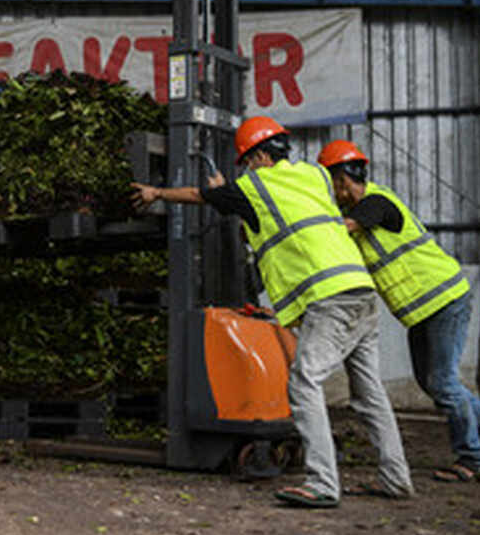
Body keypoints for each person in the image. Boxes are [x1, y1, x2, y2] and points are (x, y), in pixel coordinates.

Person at [131, 116, 413, 507]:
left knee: (303, 382)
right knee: (369, 393)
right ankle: (396, 478)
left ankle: (322, 483)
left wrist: (156, 193)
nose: (246, 168)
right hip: (361, 291)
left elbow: (200, 197)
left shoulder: (254, 186)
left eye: (247, 161)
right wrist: (226, 193)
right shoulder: (314, 177)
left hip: (328, 296)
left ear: (261, 155)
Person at [319, 139, 480, 483]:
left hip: (444, 300)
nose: (334, 191)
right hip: (423, 311)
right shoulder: (358, 215)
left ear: (346, 179)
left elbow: (348, 227)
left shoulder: (378, 202)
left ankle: (473, 458)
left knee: (443, 382)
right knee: (433, 382)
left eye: (335, 183)